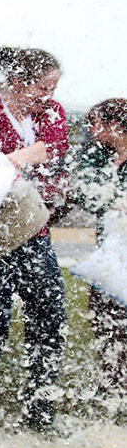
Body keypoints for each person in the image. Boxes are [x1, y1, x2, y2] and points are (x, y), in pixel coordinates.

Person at [0, 47, 69, 439]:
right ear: (18, 81)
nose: (49, 96)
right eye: (43, 87)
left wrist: (21, 160)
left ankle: (41, 410)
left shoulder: (52, 113)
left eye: (54, 88)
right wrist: (19, 158)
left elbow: (56, 152)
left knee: (51, 320)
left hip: (34, 233)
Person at [70, 98, 127, 407]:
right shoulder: (96, 156)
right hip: (109, 252)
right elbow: (84, 192)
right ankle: (114, 384)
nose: (91, 131)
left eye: (96, 124)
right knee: (105, 318)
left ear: (115, 127)